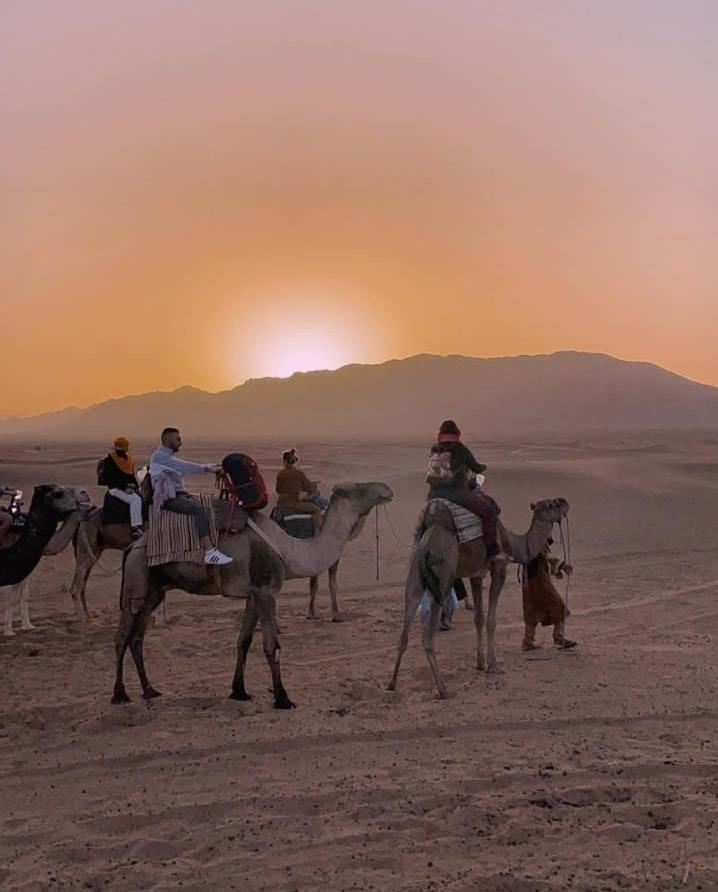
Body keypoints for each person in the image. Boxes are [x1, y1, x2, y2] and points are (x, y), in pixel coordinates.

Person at [149, 427, 232, 566]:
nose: (180, 443)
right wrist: (210, 468)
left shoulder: (166, 457)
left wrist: (212, 467)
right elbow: (185, 466)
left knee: (209, 504)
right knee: (197, 509)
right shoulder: (160, 457)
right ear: (168, 440)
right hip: (170, 499)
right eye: (178, 439)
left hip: (179, 494)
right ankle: (209, 552)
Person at [426, 420, 501, 558]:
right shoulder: (460, 449)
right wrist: (483, 467)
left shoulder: (434, 449)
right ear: (456, 434)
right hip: (456, 494)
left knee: (423, 524)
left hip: (433, 495)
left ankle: (417, 546)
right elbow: (476, 468)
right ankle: (491, 548)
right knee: (489, 513)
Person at [521, 538, 576, 651]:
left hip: (528, 583)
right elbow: (549, 557)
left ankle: (528, 640)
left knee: (531, 611)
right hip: (539, 582)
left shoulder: (530, 543)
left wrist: (556, 571)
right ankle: (558, 637)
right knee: (558, 606)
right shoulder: (538, 542)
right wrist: (563, 566)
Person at [100, 437, 144, 539]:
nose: (120, 449)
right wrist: (125, 488)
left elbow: (131, 476)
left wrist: (135, 486)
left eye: (122, 447)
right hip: (115, 489)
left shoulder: (128, 460)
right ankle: (135, 528)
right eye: (119, 447)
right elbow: (109, 479)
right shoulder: (109, 460)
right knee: (135, 501)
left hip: (128, 487)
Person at [275, 449, 325, 530]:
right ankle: (317, 532)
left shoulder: (281, 474)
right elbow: (309, 487)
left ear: (284, 461)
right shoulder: (299, 473)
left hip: (281, 502)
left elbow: (278, 490)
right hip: (294, 503)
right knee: (317, 509)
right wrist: (314, 484)